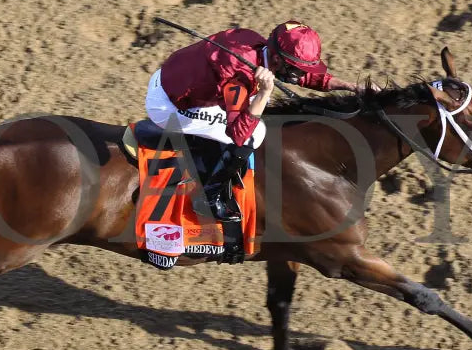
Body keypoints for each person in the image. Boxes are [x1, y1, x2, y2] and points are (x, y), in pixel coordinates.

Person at [145, 20, 364, 222]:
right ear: (278, 60)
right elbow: (238, 133)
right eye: (296, 70)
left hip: (173, 76)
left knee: (256, 109)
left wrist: (351, 87)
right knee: (254, 133)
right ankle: (209, 197)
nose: (299, 77)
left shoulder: (259, 47)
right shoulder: (239, 74)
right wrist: (264, 93)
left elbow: (306, 76)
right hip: (170, 106)